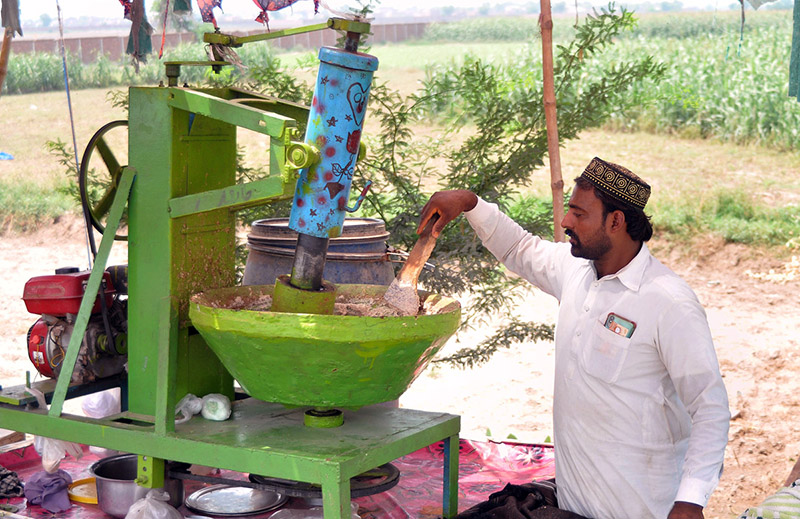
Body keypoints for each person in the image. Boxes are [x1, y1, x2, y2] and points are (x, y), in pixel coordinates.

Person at [420, 157, 731, 519]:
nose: (566, 221)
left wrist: (690, 501)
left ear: (615, 221)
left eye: (579, 214)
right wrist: (471, 203)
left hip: (638, 509)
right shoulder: (576, 271)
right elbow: (519, 249)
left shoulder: (668, 302)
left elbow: (710, 408)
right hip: (572, 504)